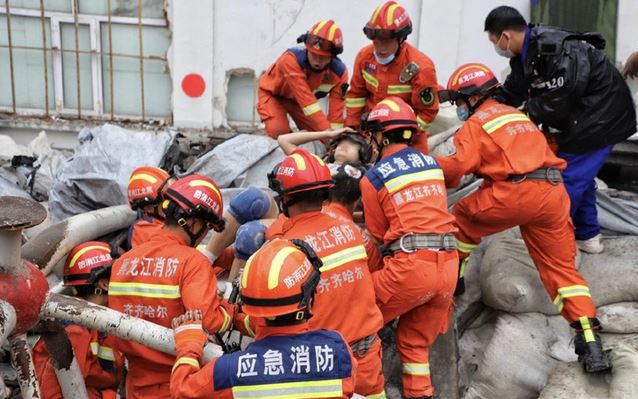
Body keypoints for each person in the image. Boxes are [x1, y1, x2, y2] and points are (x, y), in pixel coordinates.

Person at [436, 62, 612, 373]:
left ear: (472, 98)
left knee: (462, 215)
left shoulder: (477, 125)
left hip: (514, 194)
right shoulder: (517, 116)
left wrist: (430, 165)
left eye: (459, 101)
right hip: (553, 193)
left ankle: (455, 279)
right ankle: (589, 341)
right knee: (561, 271)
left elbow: (458, 167)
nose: (460, 108)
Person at [484, 6, 637, 253]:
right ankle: (589, 236)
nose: (497, 47)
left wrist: (525, 115)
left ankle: (552, 242)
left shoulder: (559, 49)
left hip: (601, 118)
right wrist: (486, 109)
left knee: (566, 181)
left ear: (506, 37)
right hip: (582, 118)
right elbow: (512, 91)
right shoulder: (526, 55)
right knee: (581, 178)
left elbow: (563, 95)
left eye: (495, 42)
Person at [359, 97, 458, 399]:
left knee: (355, 320)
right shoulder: (430, 164)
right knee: (414, 343)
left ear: (380, 134)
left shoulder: (373, 177)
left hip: (411, 268)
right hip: (448, 267)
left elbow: (378, 235)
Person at [169, 238, 356, 398]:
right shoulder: (338, 351)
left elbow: (182, 390)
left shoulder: (230, 370)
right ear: (308, 299)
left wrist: (188, 344)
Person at [267, 149, 386, 398]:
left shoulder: (288, 248)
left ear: (286, 198)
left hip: (324, 364)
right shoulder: (351, 231)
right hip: (366, 357)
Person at [108, 174, 234, 399]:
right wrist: (229, 309)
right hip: (179, 382)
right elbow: (209, 321)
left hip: (136, 386)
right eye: (207, 228)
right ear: (193, 222)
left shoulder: (122, 263)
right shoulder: (192, 262)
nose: (204, 235)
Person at [345, 1, 440, 155]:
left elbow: (427, 112)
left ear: (401, 39)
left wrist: (404, 136)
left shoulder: (421, 67)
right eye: (376, 40)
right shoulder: (364, 57)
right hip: (371, 134)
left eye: (387, 41)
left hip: (408, 139)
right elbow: (356, 95)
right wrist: (352, 130)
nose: (380, 47)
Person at [33, 241, 124, 399]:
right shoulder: (73, 331)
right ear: (104, 284)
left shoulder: (97, 320)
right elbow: (71, 389)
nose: (126, 279)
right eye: (120, 274)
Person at [257, 20, 349, 138]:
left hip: (298, 103)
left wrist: (335, 138)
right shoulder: (290, 60)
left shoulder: (340, 74)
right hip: (273, 95)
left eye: (322, 57)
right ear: (307, 48)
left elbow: (336, 112)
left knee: (323, 139)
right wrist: (328, 131)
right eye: (313, 54)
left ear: (332, 56)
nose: (317, 60)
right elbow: (306, 100)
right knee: (278, 131)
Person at [126, 166, 170, 249]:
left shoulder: (164, 221)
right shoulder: (143, 230)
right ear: (149, 208)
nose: (173, 205)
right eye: (167, 202)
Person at [278, 127, 373, 165]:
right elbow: (284, 140)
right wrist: (328, 134)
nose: (345, 145)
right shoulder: (318, 166)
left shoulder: (363, 178)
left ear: (363, 155)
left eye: (353, 144)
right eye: (341, 142)